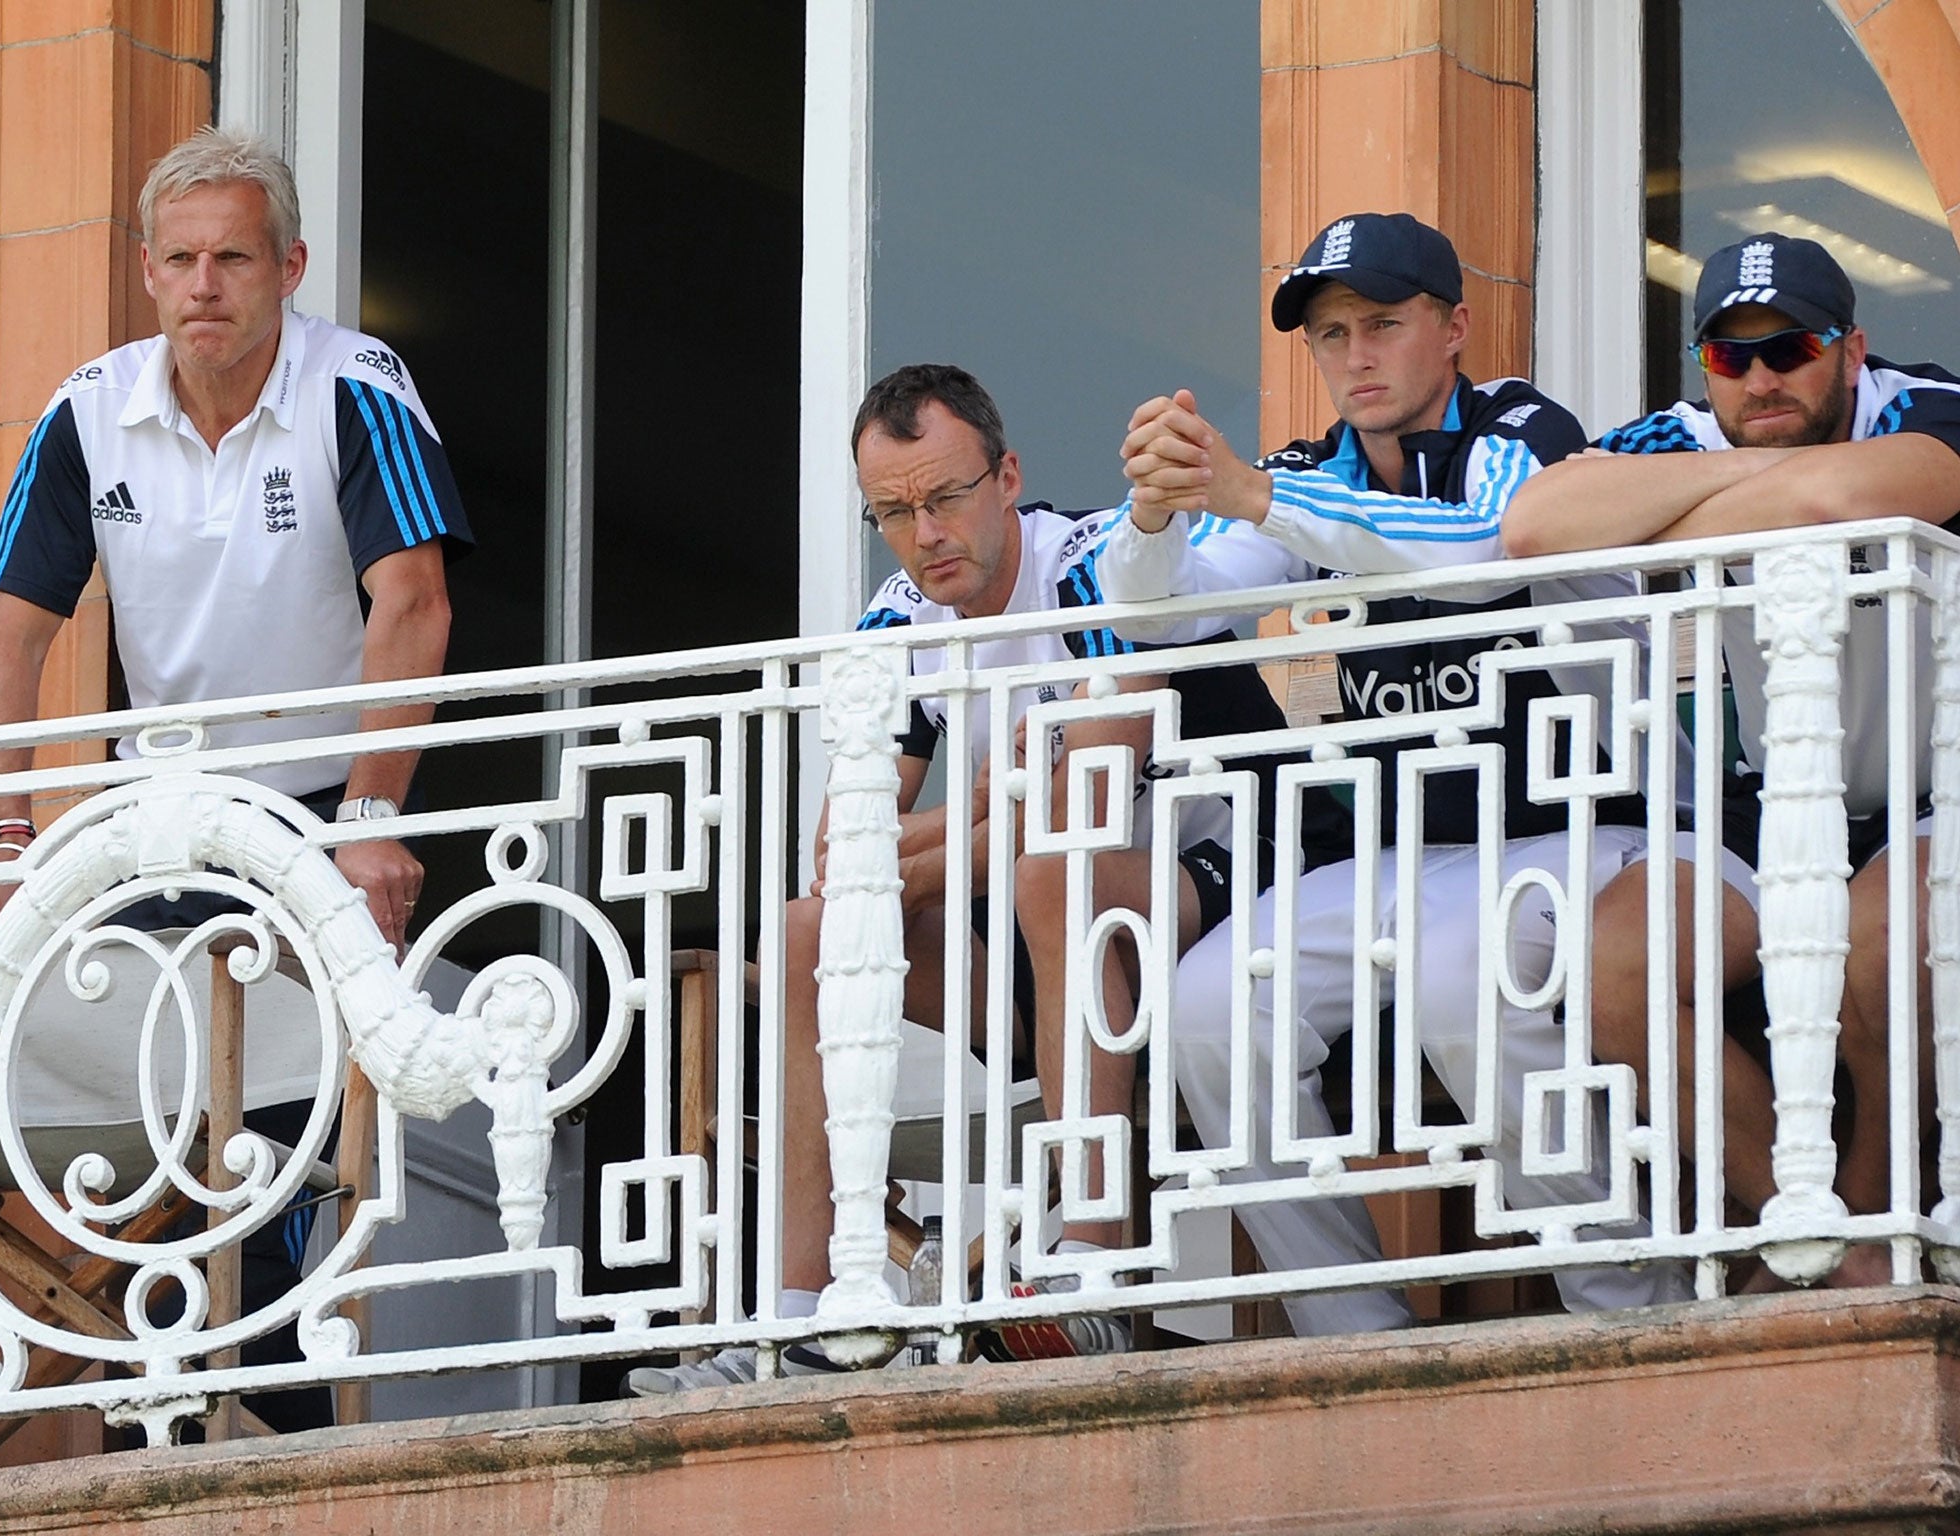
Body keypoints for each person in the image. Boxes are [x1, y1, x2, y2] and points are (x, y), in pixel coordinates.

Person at [626, 363, 1348, 1393]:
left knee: (1056, 866)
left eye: (945, 496)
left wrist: (970, 829)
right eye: (893, 512)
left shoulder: (1105, 560)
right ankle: (803, 1317)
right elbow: (845, 852)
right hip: (1036, 936)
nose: (924, 534)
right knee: (810, 930)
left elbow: (1083, 794)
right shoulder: (898, 618)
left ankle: (1087, 1277)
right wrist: (975, 817)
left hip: (1224, 883)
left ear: (1006, 476)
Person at [0, 126, 473, 1431]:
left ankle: (273, 1423)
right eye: (178, 259)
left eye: (234, 256)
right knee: (125, 1106)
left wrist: (371, 816)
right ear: (143, 272)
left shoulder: (360, 386)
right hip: (156, 821)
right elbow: (9, 633)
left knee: (282, 1136)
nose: (204, 286)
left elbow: (413, 602)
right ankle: (154, 1385)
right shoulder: (89, 410)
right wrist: (0, 842)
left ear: (289, 265)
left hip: (313, 812)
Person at [1100, 211, 1691, 1334]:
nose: (1354, 356)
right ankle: (1348, 1333)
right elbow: (1154, 621)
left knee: (1462, 978)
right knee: (1207, 1006)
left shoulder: (1517, 424)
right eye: (1329, 334)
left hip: (1584, 830)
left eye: (1381, 323)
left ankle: (1626, 1313)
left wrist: (1254, 497)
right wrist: (1151, 515)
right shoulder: (1305, 469)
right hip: (1401, 849)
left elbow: (1477, 553)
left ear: (1454, 328)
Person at [1500, 233, 1960, 1274]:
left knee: (1877, 946)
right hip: (1756, 803)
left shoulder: (1925, 402)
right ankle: (1805, 1245)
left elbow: (1841, 500)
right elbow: (1534, 527)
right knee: (1617, 963)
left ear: (1851, 348)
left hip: (1932, 794)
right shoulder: (1685, 432)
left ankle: (1867, 1215)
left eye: (1788, 348)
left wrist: (1670, 511)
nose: (1758, 378)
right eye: (1727, 358)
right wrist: (1762, 470)